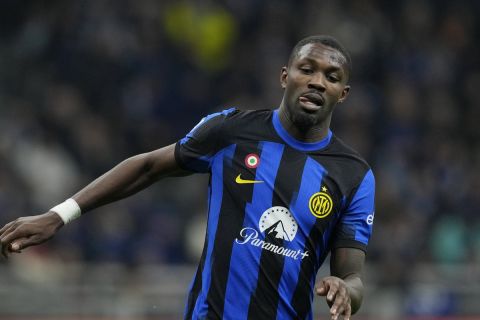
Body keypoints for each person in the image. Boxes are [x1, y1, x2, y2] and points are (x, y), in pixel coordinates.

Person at [0, 35, 375, 320]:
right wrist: (59, 215)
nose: (316, 81)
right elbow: (147, 166)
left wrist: (345, 289)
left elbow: (353, 279)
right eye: (306, 69)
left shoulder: (353, 175)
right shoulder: (229, 130)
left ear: (342, 94)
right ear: (285, 76)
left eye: (330, 76)